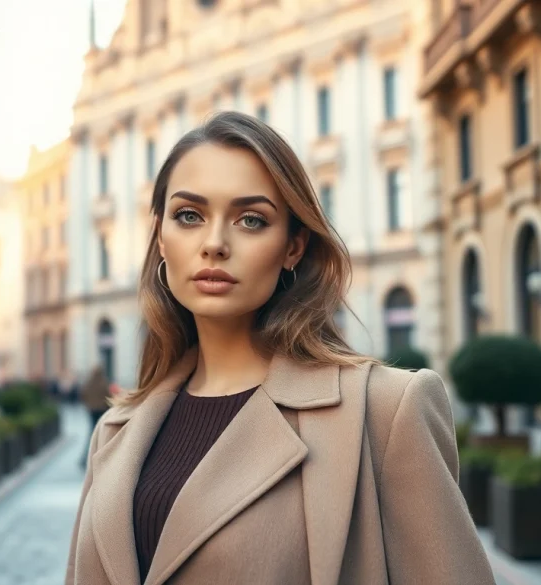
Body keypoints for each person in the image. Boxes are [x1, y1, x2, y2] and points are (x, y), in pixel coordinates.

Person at [66, 112, 495, 585]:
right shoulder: (115, 431)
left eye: (251, 219)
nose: (214, 244)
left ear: (293, 247)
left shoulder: (384, 412)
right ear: (160, 236)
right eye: (189, 215)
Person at [79, 366, 112, 468]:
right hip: (102, 411)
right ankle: (100, 458)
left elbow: (83, 395)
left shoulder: (88, 383)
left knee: (92, 434)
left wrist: (88, 405)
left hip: (91, 411)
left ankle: (85, 459)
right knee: (101, 434)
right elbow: (109, 397)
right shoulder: (103, 383)